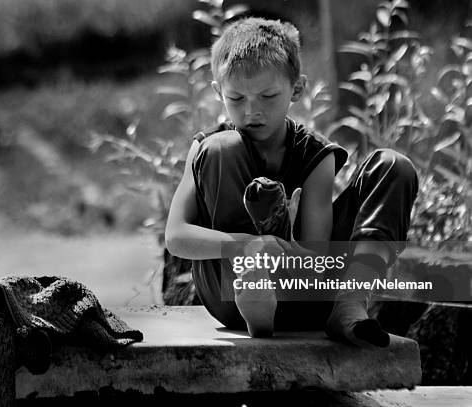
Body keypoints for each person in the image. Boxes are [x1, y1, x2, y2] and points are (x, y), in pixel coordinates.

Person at [164, 17, 419, 347]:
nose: (251, 112)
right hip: (228, 291)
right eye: (236, 99)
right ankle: (256, 304)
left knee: (393, 166)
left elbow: (315, 260)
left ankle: (350, 305)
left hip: (303, 287)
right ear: (218, 92)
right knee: (223, 147)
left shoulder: (316, 155)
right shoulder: (207, 147)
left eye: (268, 96)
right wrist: (248, 246)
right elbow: (176, 236)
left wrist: (284, 240)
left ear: (296, 88)